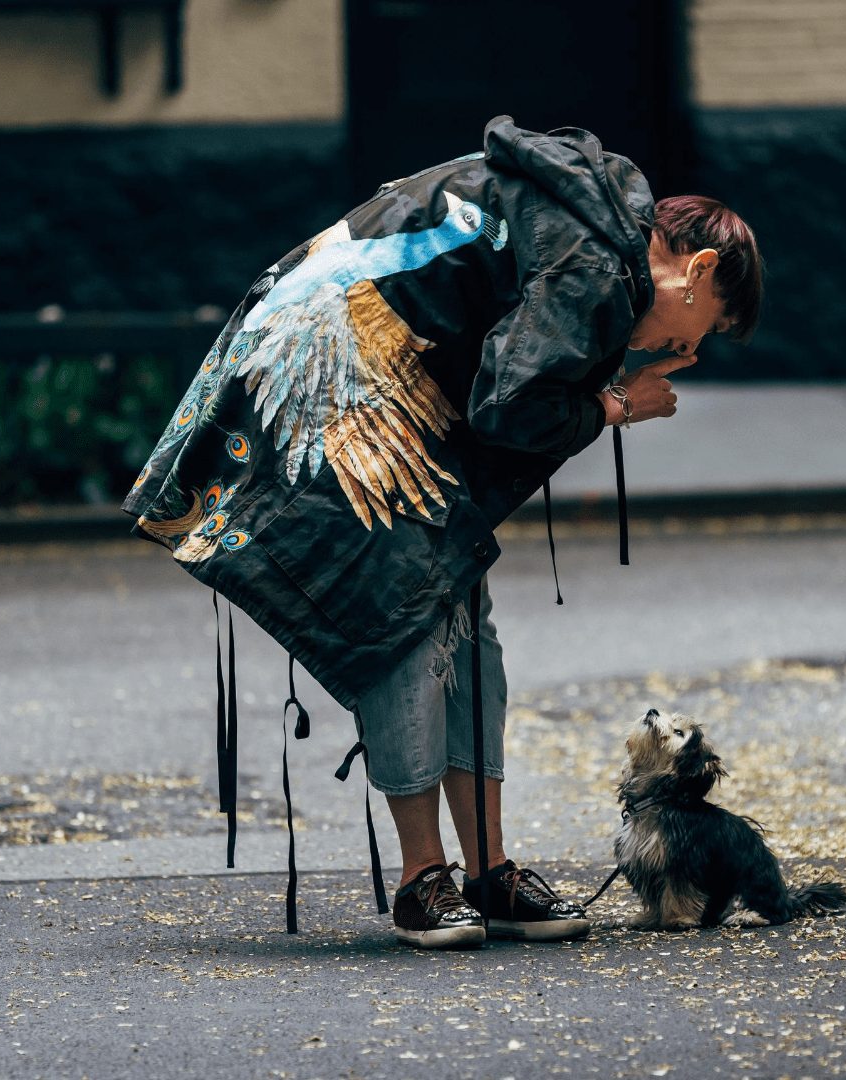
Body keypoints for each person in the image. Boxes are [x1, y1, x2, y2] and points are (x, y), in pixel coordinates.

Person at [123, 115, 763, 949]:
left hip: (361, 354)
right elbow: (509, 405)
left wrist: (621, 367)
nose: (691, 344)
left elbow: (512, 360)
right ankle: (424, 881)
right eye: (703, 322)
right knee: (408, 614)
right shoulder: (596, 261)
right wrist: (614, 403)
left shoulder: (594, 233)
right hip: (333, 368)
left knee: (466, 626)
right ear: (699, 265)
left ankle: (488, 873)